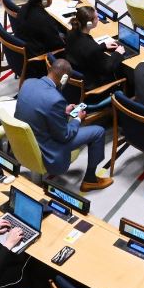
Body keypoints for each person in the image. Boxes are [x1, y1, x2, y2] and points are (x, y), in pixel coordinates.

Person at [15, 59, 113, 191]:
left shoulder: (28, 82)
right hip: (48, 149)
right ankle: (90, 180)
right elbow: (65, 136)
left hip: (24, 143)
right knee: (98, 132)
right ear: (65, 78)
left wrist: (62, 112)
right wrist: (77, 120)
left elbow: (40, 110)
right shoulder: (56, 99)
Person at [64, 6, 122, 93]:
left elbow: (84, 49)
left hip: (76, 76)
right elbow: (107, 68)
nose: (98, 19)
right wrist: (118, 53)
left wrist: (103, 46)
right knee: (121, 72)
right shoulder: (91, 47)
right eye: (96, 17)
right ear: (89, 24)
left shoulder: (71, 33)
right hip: (91, 88)